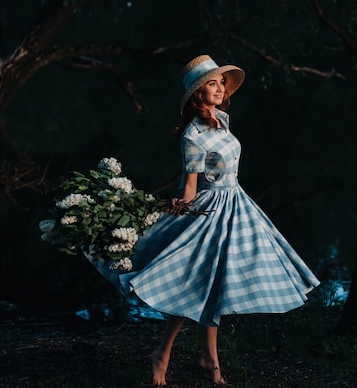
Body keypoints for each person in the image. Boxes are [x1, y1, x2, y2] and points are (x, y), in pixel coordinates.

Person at [92, 54, 320, 386]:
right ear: (198, 92)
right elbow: (190, 187)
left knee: (217, 284)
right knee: (193, 284)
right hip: (210, 210)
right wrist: (177, 205)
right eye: (211, 83)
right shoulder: (193, 134)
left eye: (220, 82)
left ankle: (209, 359)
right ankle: (162, 354)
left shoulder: (221, 121)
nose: (219, 87)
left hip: (237, 204)